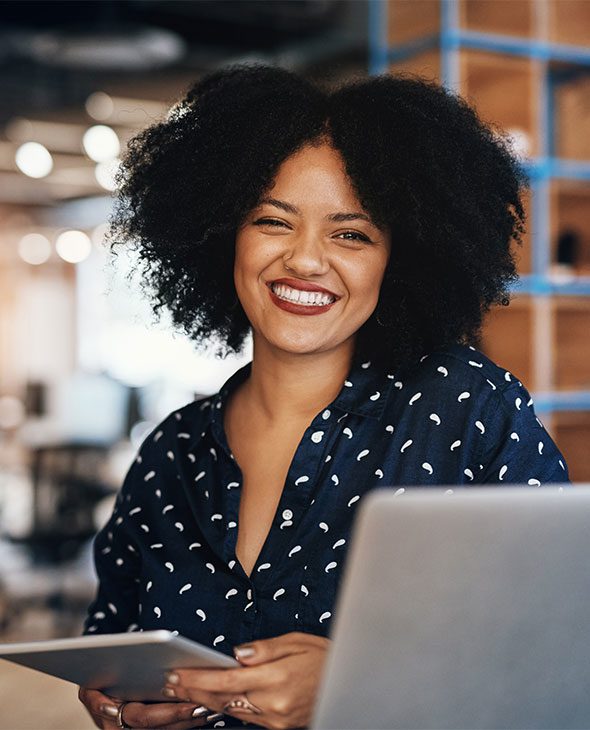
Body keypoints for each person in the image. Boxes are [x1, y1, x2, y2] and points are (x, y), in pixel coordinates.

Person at [79, 64, 570, 730]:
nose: (307, 261)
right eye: (273, 222)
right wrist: (122, 709)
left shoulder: (465, 409)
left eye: (351, 234)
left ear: (399, 258)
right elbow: (111, 646)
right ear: (226, 234)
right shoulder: (172, 453)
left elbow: (563, 656)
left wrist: (357, 682)